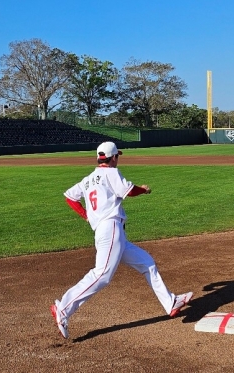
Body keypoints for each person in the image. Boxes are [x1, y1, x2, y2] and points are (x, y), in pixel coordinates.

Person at [50, 141, 193, 339]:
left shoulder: (89, 179)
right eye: (118, 156)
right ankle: (63, 308)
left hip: (109, 232)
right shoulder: (111, 173)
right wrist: (144, 189)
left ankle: (170, 302)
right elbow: (129, 191)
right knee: (102, 275)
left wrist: (86, 215)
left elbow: (70, 197)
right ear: (114, 157)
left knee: (147, 263)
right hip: (111, 229)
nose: (118, 159)